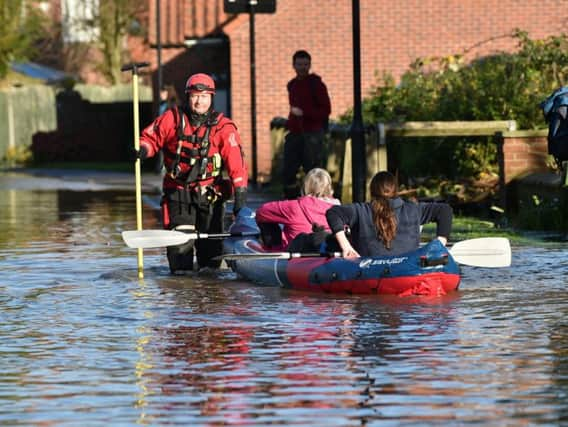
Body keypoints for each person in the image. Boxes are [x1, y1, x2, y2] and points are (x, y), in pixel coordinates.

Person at [136, 73, 248, 273]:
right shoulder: (172, 118)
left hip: (211, 197)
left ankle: (209, 295)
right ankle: (183, 293)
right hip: (179, 194)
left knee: (211, 259)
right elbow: (150, 138)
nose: (199, 101)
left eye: (204, 96)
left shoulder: (224, 127)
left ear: (211, 98)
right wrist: (144, 149)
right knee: (180, 253)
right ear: (187, 97)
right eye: (195, 96)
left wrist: (240, 196)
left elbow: (237, 164)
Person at [326, 171, 452, 258]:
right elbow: (445, 210)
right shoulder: (413, 209)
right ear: (395, 190)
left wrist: (346, 247)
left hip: (371, 272)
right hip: (409, 270)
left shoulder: (361, 210)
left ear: (372, 191)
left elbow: (333, 213)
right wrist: (440, 242)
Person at [283, 50, 331, 199]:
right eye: (299, 64)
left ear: (309, 65)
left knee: (313, 172)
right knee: (288, 171)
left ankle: (315, 202)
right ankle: (293, 202)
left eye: (305, 64)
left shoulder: (316, 85)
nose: (302, 67)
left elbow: (326, 110)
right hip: (295, 133)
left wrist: (304, 113)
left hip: (313, 134)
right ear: (293, 65)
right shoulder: (292, 85)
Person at [255, 168, 339, 251]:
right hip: (328, 252)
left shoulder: (293, 207)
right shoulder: (339, 210)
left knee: (266, 219)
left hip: (295, 257)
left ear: (305, 186)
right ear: (329, 188)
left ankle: (275, 250)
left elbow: (261, 211)